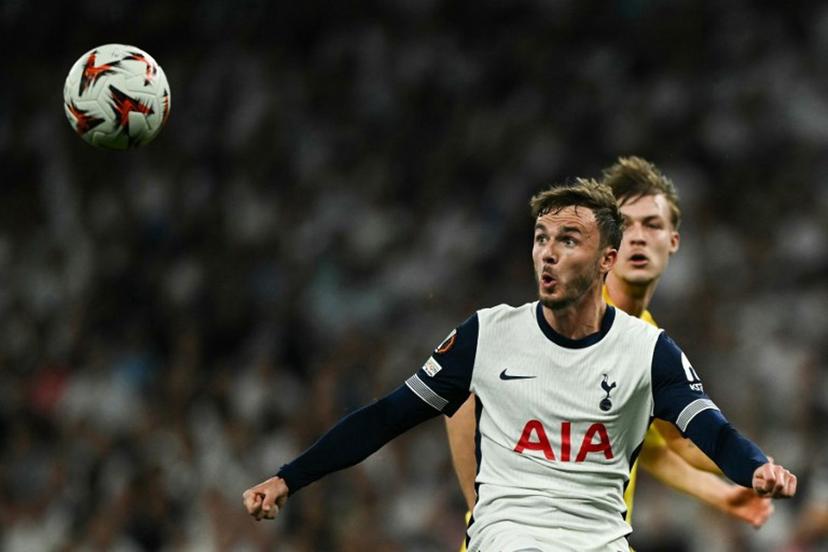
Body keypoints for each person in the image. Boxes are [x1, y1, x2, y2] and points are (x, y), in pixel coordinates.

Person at [242, 179, 796, 551]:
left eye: (568, 240)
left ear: (606, 259)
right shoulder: (488, 335)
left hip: (600, 542)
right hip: (508, 537)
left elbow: (710, 430)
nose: (548, 253)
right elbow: (386, 416)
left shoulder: (648, 351)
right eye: (540, 238)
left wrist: (755, 469)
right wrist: (290, 477)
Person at [444, 157, 772, 552]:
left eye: (651, 225)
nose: (638, 238)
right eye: (626, 225)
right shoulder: (569, 320)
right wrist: (484, 511)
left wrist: (723, 491)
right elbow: (463, 394)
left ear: (673, 240)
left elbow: (657, 448)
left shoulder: (644, 338)